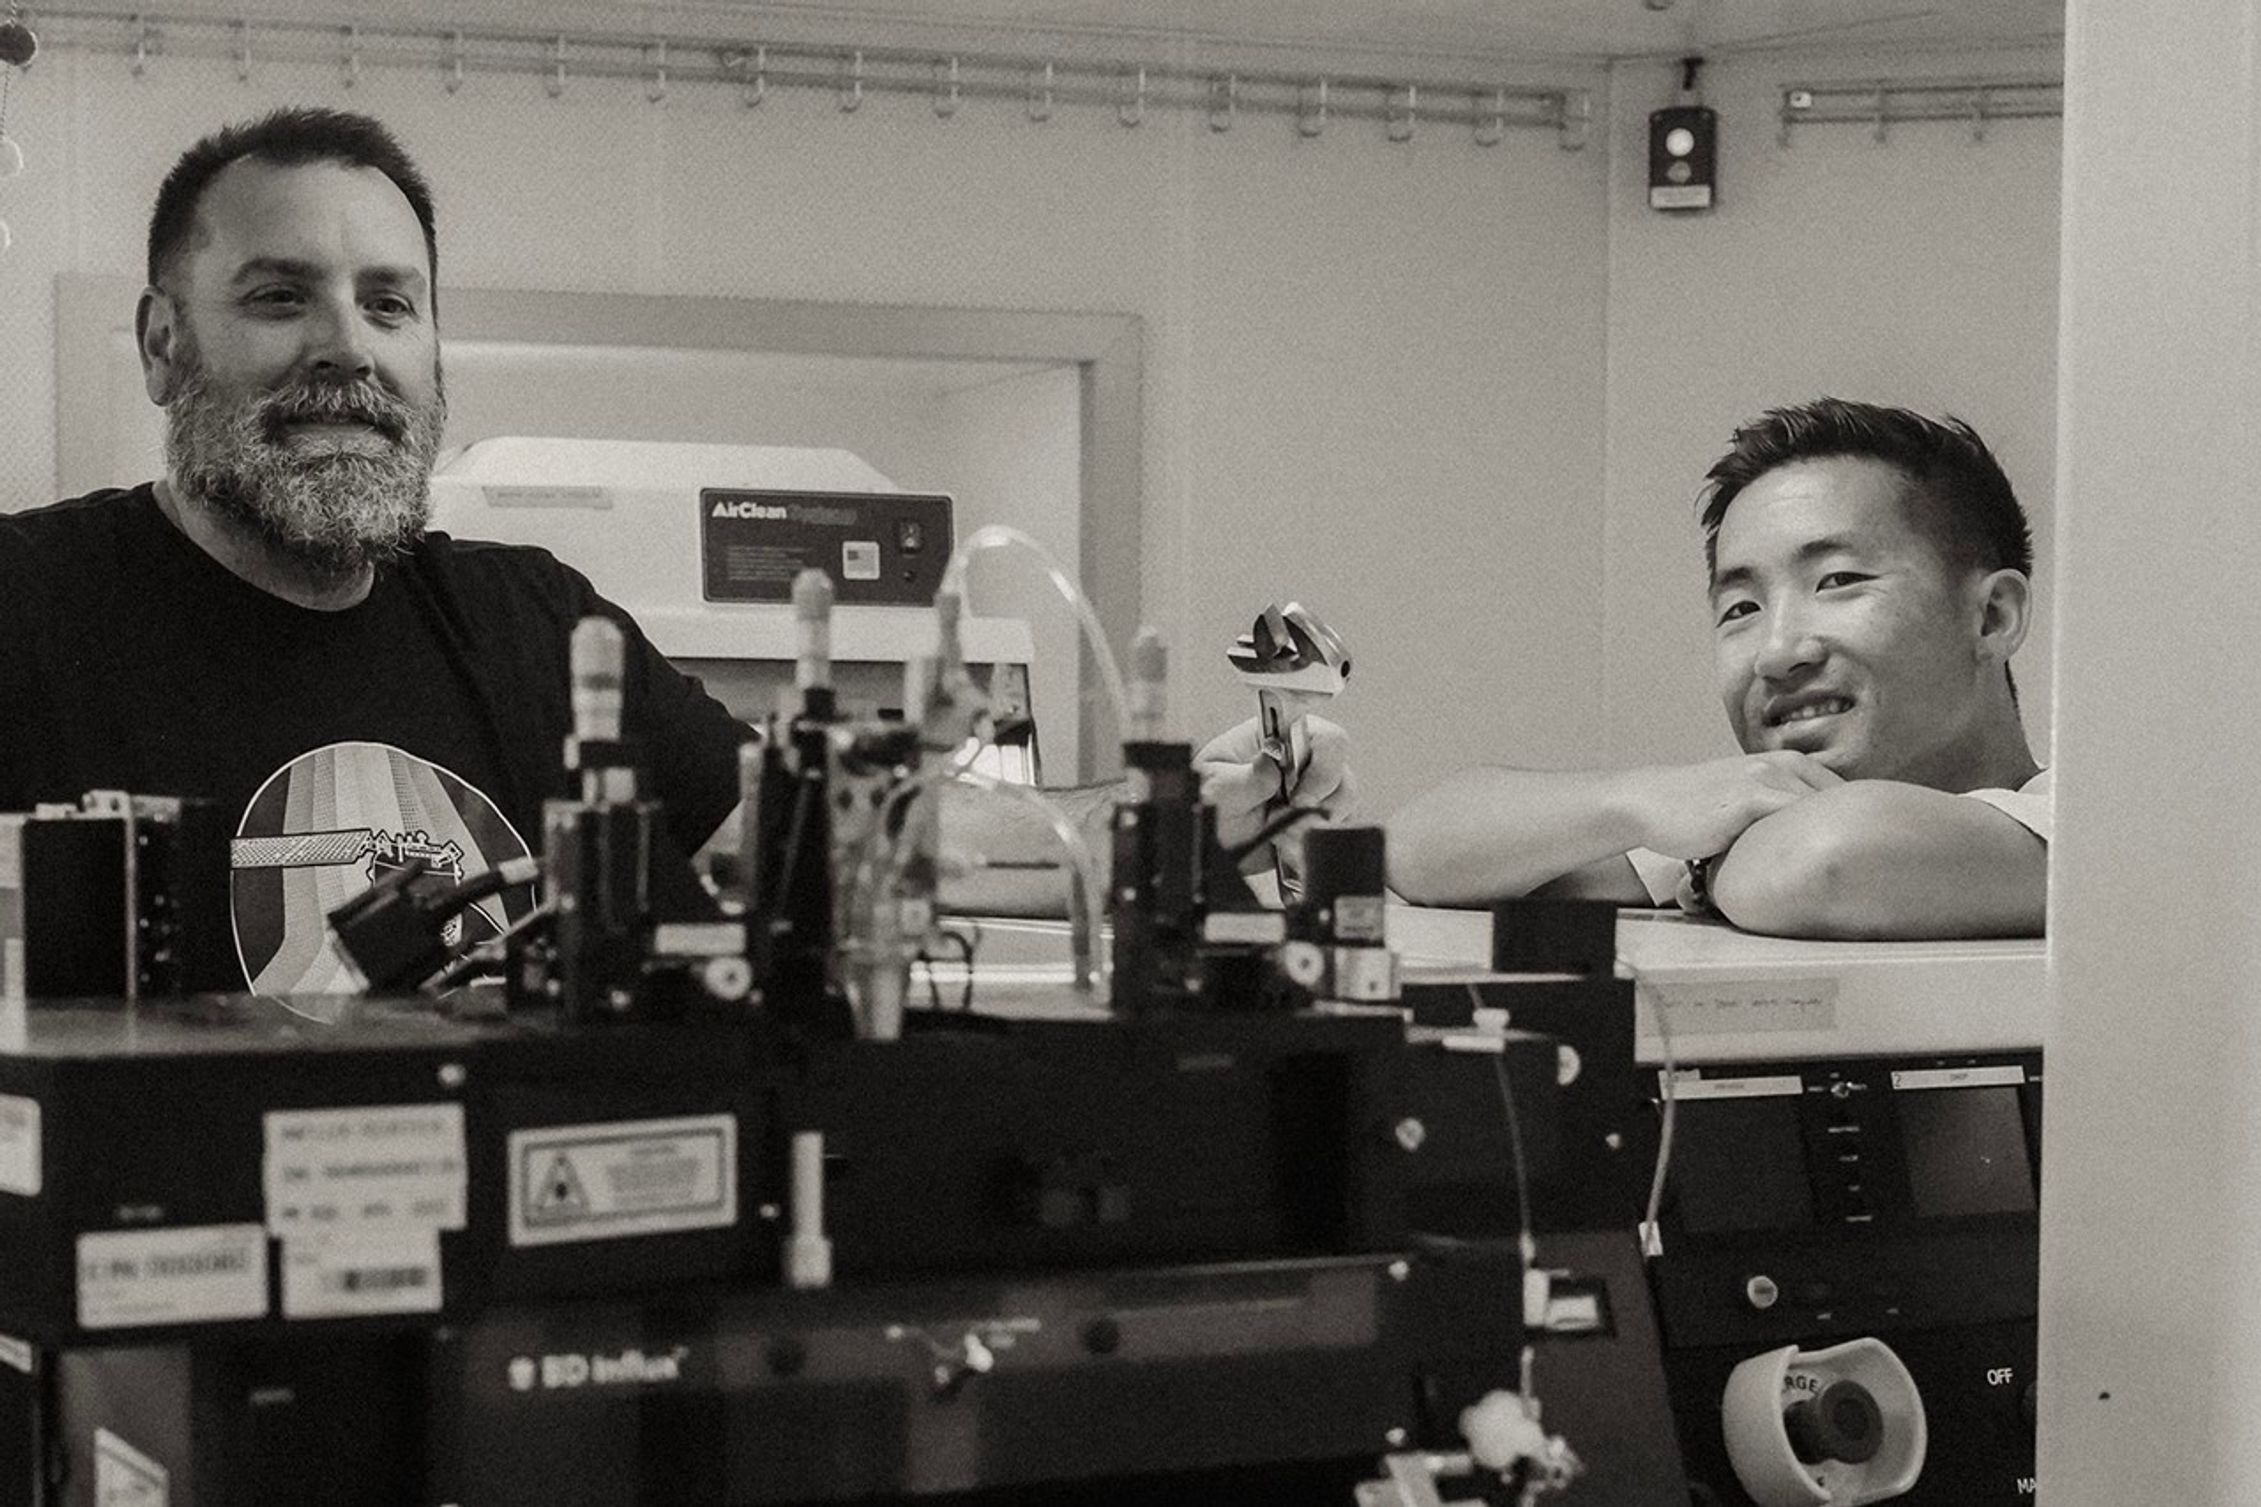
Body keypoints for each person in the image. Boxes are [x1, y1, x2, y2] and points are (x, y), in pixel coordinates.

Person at [0, 106, 1347, 992]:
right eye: (279, 297)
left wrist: (1156, 824)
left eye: (390, 304)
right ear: (163, 343)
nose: (347, 350)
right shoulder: (28, 609)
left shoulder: (534, 622)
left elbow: (842, 845)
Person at [1388, 398, 2047, 939]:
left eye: (1837, 580)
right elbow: (1418, 849)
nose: (1777, 650)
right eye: (1740, 608)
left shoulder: (2080, 825)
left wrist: (1697, 870)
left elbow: (1826, 864)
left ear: (1991, 616)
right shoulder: (1755, 821)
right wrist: (1642, 801)